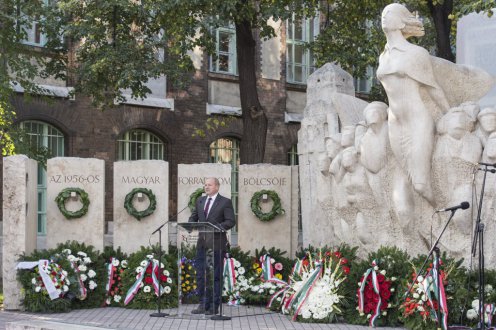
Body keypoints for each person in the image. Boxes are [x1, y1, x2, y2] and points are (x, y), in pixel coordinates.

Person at [377, 3, 450, 204]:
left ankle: (444, 213)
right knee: (407, 178)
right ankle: (427, 223)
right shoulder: (383, 57)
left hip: (418, 121)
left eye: (390, 13)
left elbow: (433, 88)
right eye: (383, 13)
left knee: (420, 184)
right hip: (395, 124)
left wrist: (449, 113)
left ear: (402, 21)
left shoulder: (416, 53)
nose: (384, 17)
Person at [188, 177, 235, 315]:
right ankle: (203, 304)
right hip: (202, 244)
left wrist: (216, 228)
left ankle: (214, 306)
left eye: (209, 185)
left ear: (217, 187)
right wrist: (190, 225)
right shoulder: (200, 201)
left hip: (217, 244)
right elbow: (194, 217)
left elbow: (230, 221)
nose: (206, 187)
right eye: (205, 185)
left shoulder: (225, 202)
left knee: (215, 276)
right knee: (202, 275)